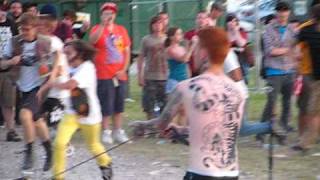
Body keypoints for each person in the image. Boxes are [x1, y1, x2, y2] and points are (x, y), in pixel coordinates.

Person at [131, 27, 245, 180]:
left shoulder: (186, 87)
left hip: (201, 173)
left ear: (203, 52)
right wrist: (179, 131)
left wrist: (142, 126)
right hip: (231, 173)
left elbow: (160, 124)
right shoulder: (238, 91)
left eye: (196, 48)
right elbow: (217, 134)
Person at [50, 40, 113, 180]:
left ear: (80, 54)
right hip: (71, 113)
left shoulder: (87, 68)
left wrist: (53, 82)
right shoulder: (67, 66)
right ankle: (58, 177)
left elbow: (70, 85)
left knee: (93, 145)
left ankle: (106, 163)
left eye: (69, 53)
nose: (65, 56)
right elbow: (57, 70)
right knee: (59, 143)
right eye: (64, 53)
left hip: (88, 113)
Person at [1, 13, 52, 171]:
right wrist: (11, 61)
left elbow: (54, 66)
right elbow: (2, 64)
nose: (24, 32)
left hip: (39, 87)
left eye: (27, 29)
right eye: (22, 29)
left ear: (35, 28)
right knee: (37, 121)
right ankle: (50, 151)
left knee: (24, 115)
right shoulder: (14, 41)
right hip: (23, 87)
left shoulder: (45, 42)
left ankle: (29, 153)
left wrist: (45, 66)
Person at [89, 2, 131, 144]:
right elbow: (92, 40)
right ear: (101, 15)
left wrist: (124, 69)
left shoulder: (121, 30)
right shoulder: (97, 28)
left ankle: (118, 130)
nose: (109, 15)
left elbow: (126, 51)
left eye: (111, 13)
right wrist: (102, 25)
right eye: (106, 13)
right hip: (104, 73)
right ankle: (106, 131)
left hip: (120, 74)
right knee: (106, 104)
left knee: (119, 104)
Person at [259, 2, 298, 138]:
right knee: (271, 103)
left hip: (289, 71)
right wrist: (288, 49)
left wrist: (292, 54)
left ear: (289, 13)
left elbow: (297, 51)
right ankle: (261, 132)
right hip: (273, 71)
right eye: (280, 11)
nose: (282, 14)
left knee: (287, 103)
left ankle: (283, 130)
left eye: (285, 11)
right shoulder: (268, 29)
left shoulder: (293, 30)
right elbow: (270, 51)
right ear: (276, 13)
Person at [291, 4, 320, 152]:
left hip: (312, 76)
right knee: (310, 110)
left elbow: (292, 45)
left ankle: (304, 143)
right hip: (312, 77)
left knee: (312, 111)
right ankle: (304, 140)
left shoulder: (306, 28)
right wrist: (296, 59)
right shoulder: (306, 29)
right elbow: (293, 45)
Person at [137, 15, 167, 120]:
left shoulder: (167, 39)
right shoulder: (146, 39)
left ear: (163, 25)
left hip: (165, 77)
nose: (158, 26)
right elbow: (141, 58)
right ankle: (150, 127)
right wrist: (140, 75)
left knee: (164, 104)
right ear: (151, 25)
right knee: (149, 105)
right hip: (150, 77)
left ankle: (163, 128)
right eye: (155, 23)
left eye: (160, 23)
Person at [0, 5, 20, 142]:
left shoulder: (11, 23)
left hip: (8, 67)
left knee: (9, 102)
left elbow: (16, 41)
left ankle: (11, 131)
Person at [225, 14, 251, 84]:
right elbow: (225, 46)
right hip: (229, 62)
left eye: (234, 21)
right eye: (230, 21)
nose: (232, 23)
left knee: (242, 82)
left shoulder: (241, 31)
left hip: (241, 61)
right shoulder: (224, 33)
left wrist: (236, 31)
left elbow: (242, 44)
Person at [184, 11, 210, 77]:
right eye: (199, 18)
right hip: (192, 71)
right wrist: (187, 69)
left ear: (207, 20)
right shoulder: (189, 34)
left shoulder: (211, 34)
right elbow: (186, 55)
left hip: (206, 70)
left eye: (204, 18)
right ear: (196, 20)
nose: (201, 20)